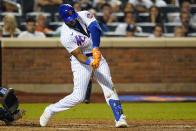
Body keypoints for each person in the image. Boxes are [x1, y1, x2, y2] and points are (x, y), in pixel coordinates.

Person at [40, 4, 128, 128]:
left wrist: (96, 49)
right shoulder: (65, 35)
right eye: (70, 19)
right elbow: (78, 54)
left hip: (96, 54)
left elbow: (95, 28)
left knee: (108, 85)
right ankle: (51, 110)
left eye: (74, 17)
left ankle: (120, 118)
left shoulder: (83, 14)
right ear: (64, 19)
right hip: (80, 61)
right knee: (79, 96)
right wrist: (90, 63)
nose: (73, 20)